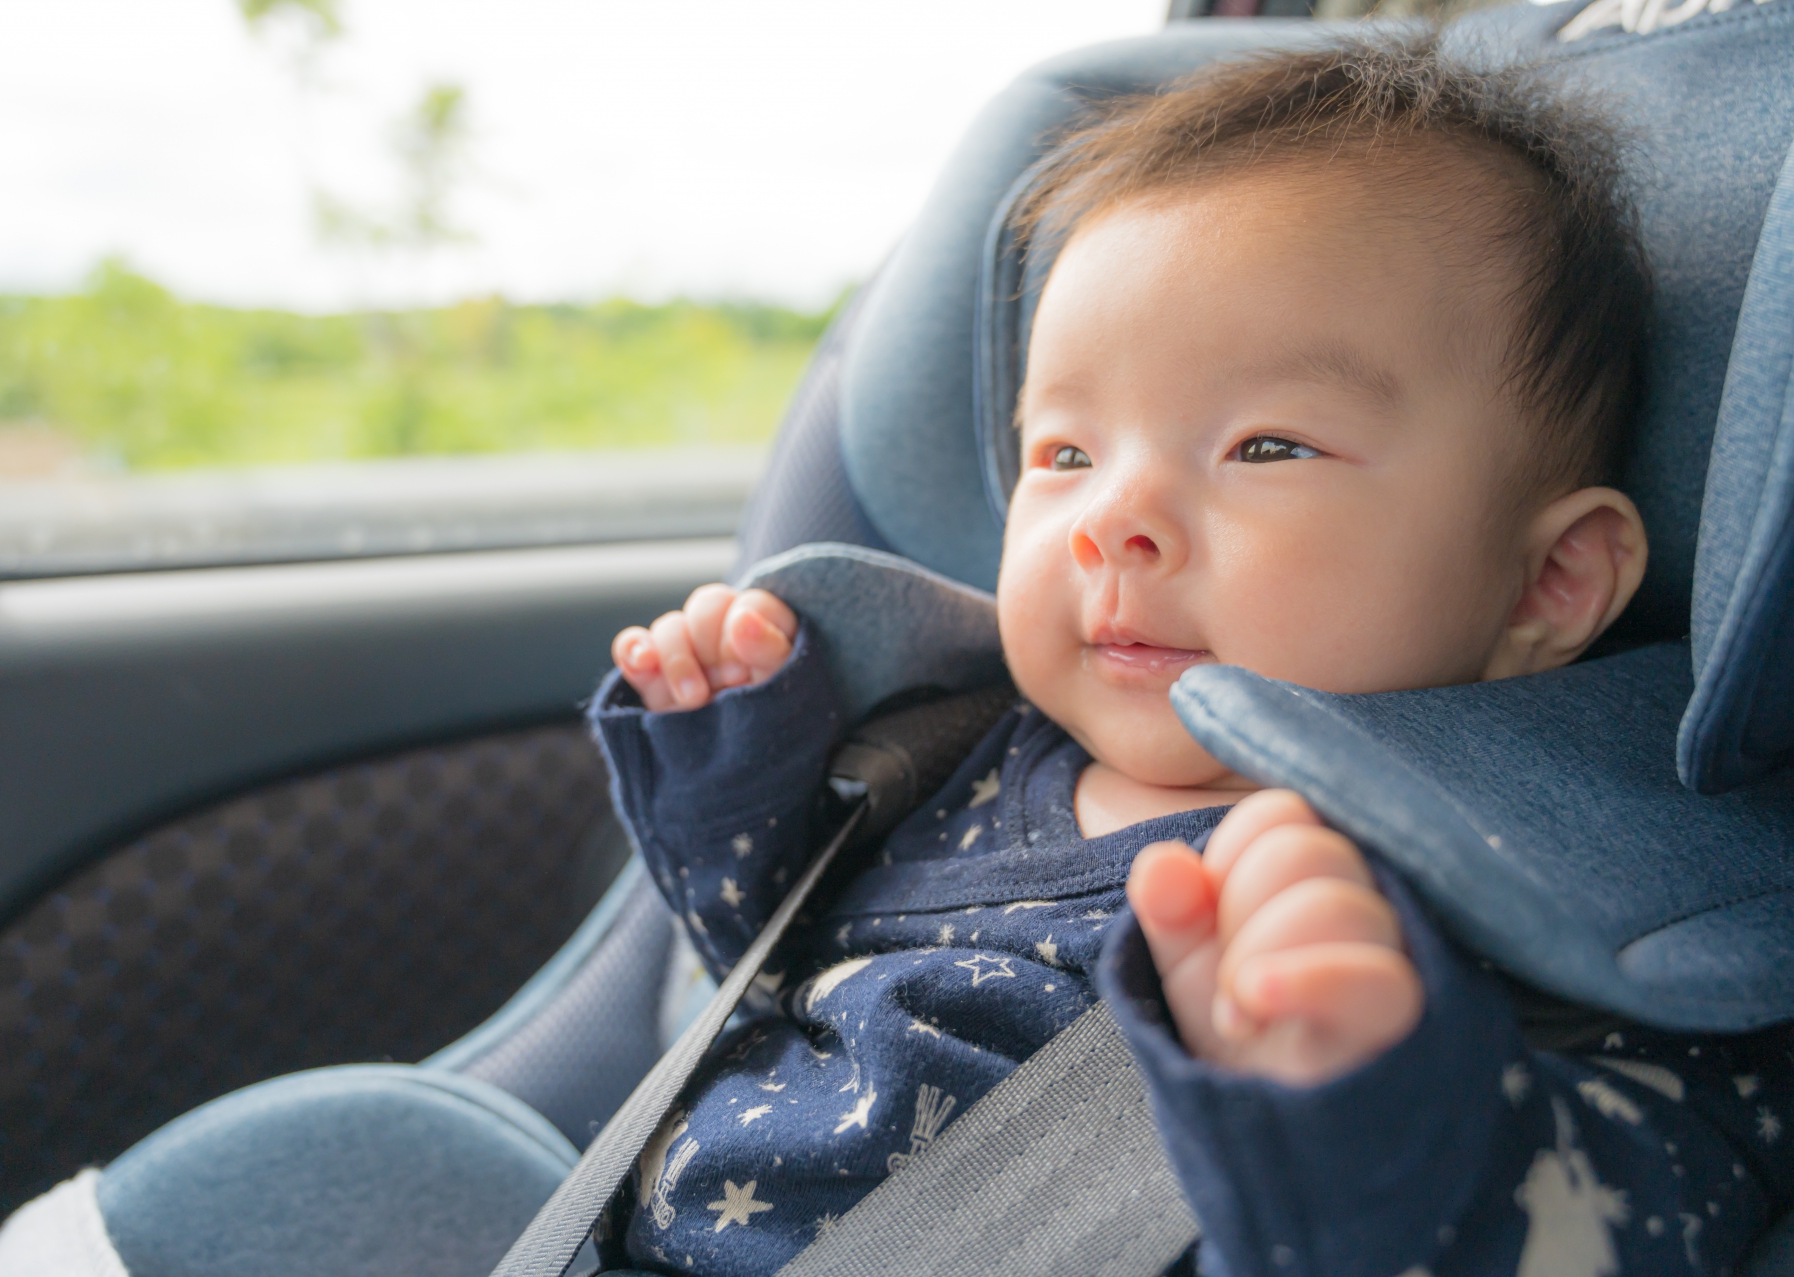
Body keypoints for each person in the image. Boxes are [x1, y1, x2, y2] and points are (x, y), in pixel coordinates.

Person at [595, 33, 1793, 1277]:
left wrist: (1380, 1120)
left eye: (1267, 445)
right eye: (1065, 453)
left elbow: (1662, 1203)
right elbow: (762, 964)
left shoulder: (1560, 892)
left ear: (1550, 580)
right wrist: (733, 769)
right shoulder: (973, 746)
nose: (1113, 516)